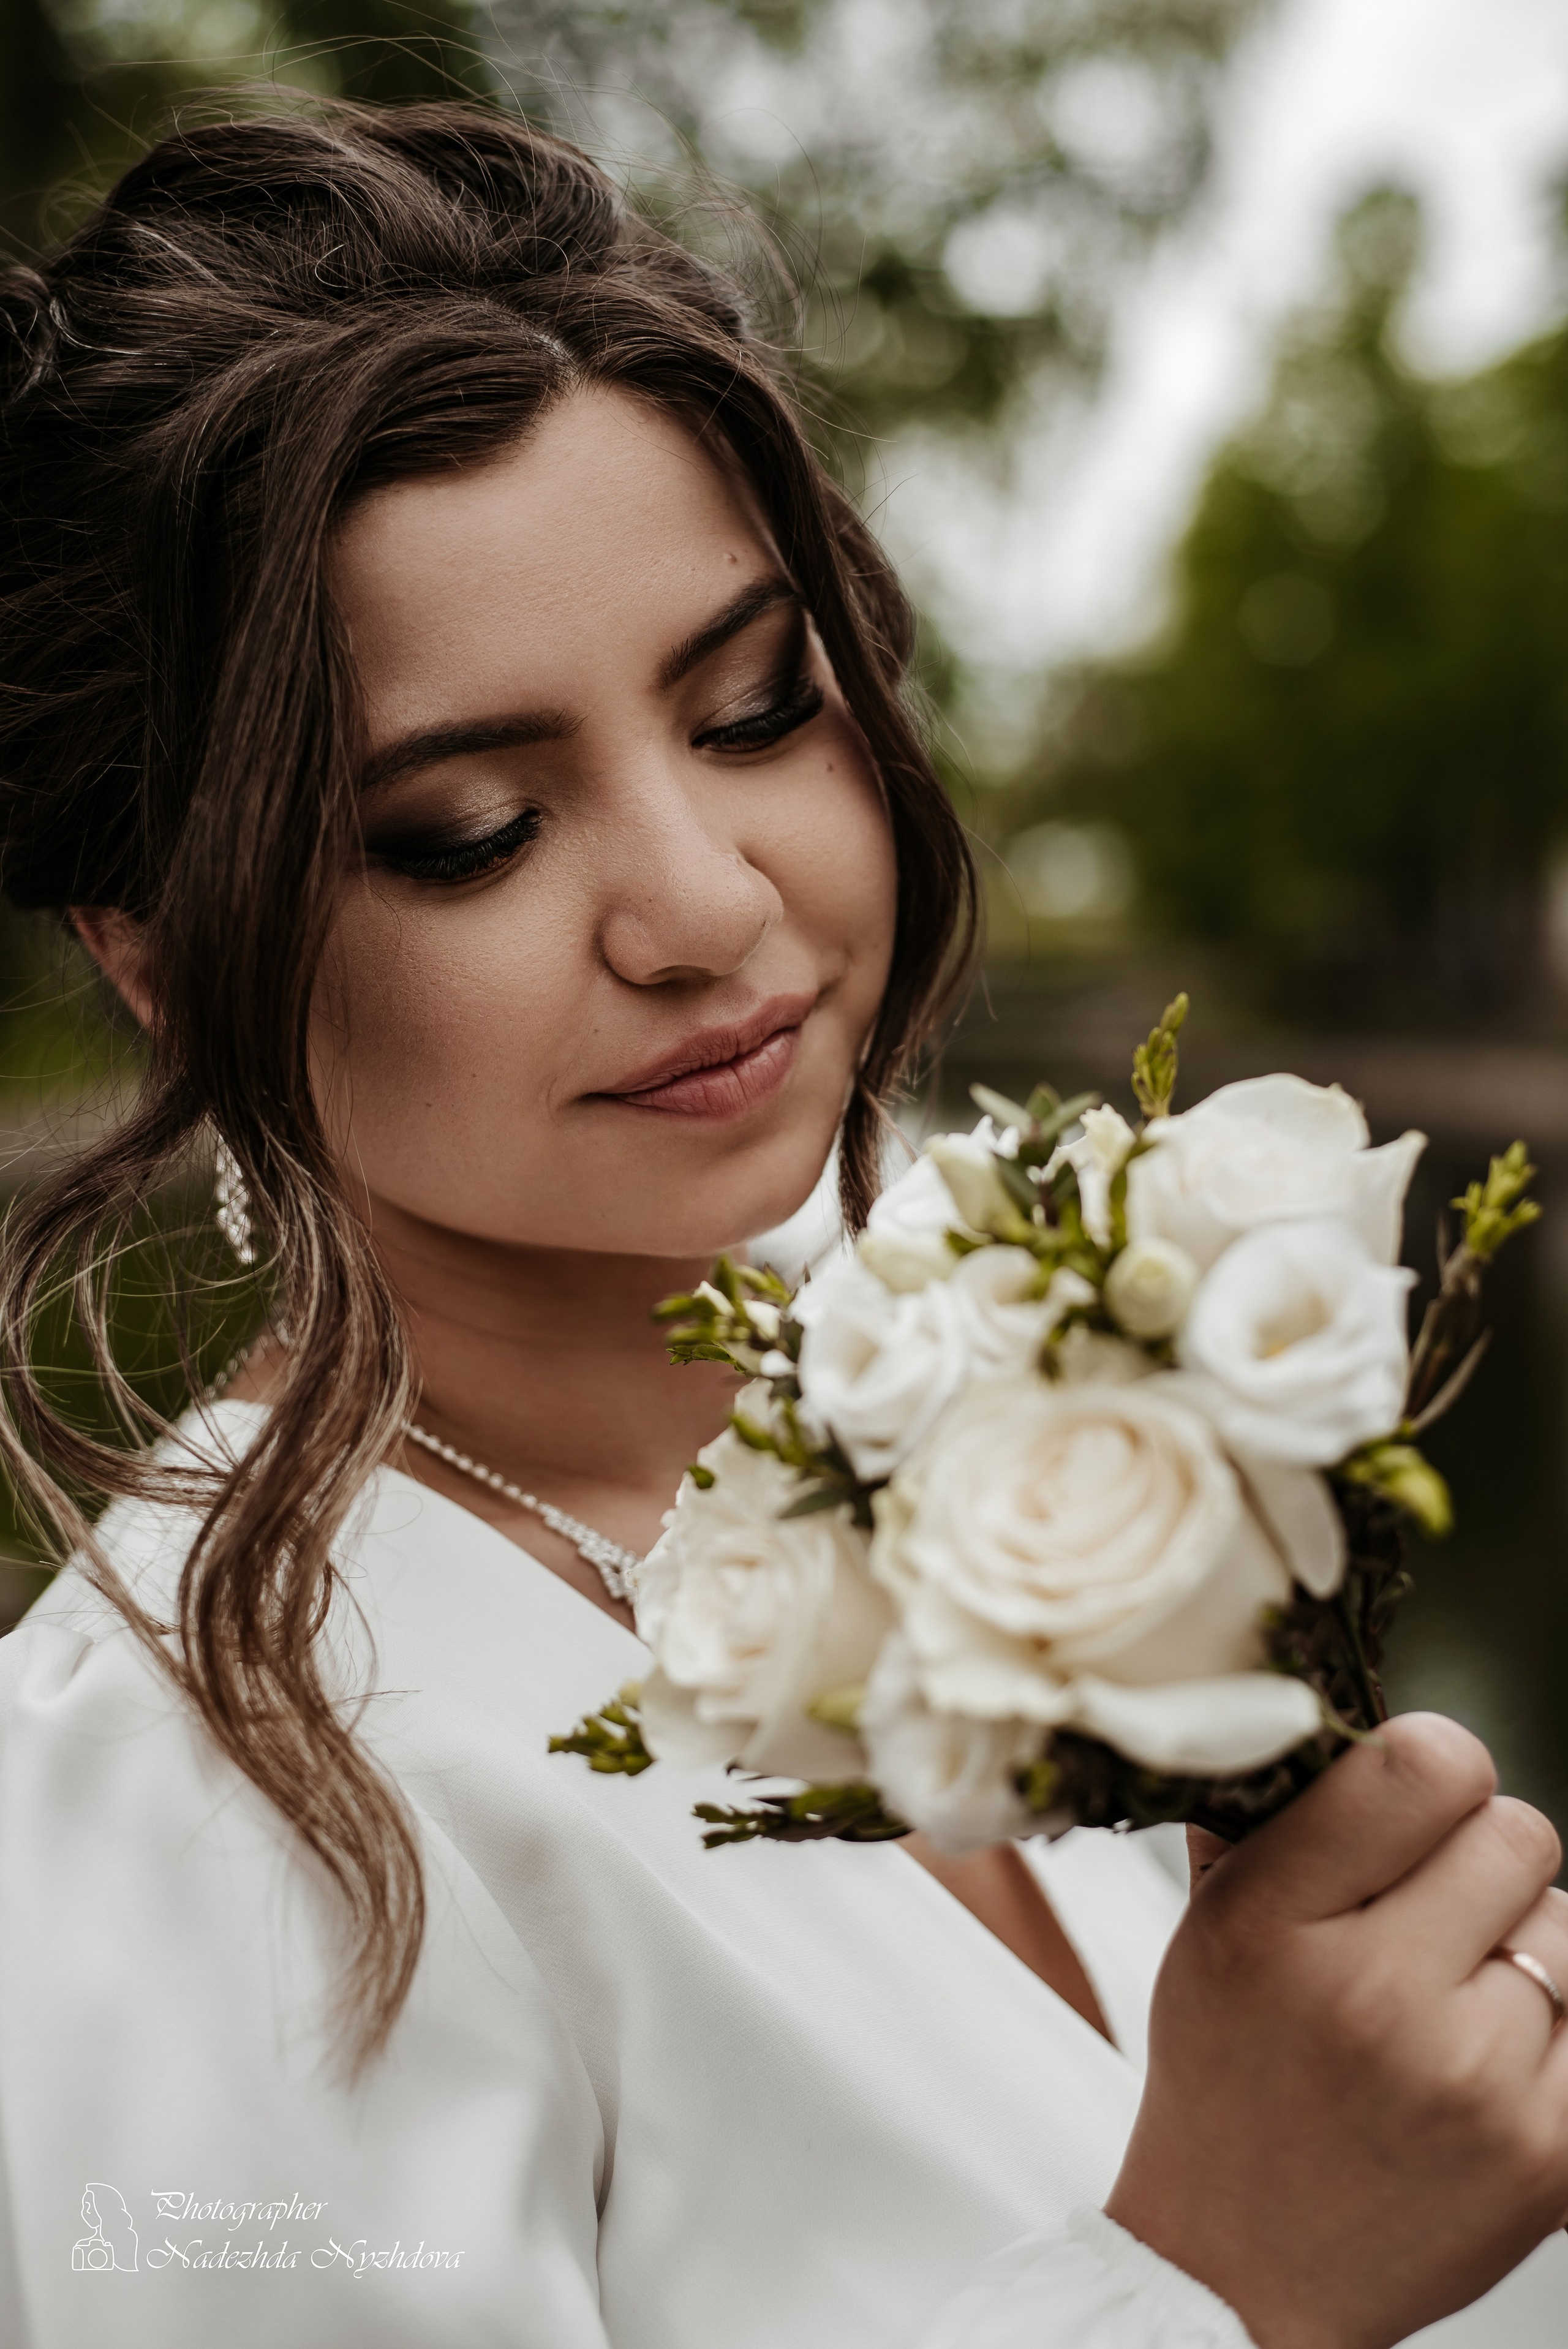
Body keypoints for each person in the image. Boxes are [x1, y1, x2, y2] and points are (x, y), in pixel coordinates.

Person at [0, 99, 1564, 2349]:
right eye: (469, 828)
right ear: (156, 949)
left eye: (758, 708)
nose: (713, 904)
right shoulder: (203, 1802)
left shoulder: (977, 1371)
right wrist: (1218, 2285)